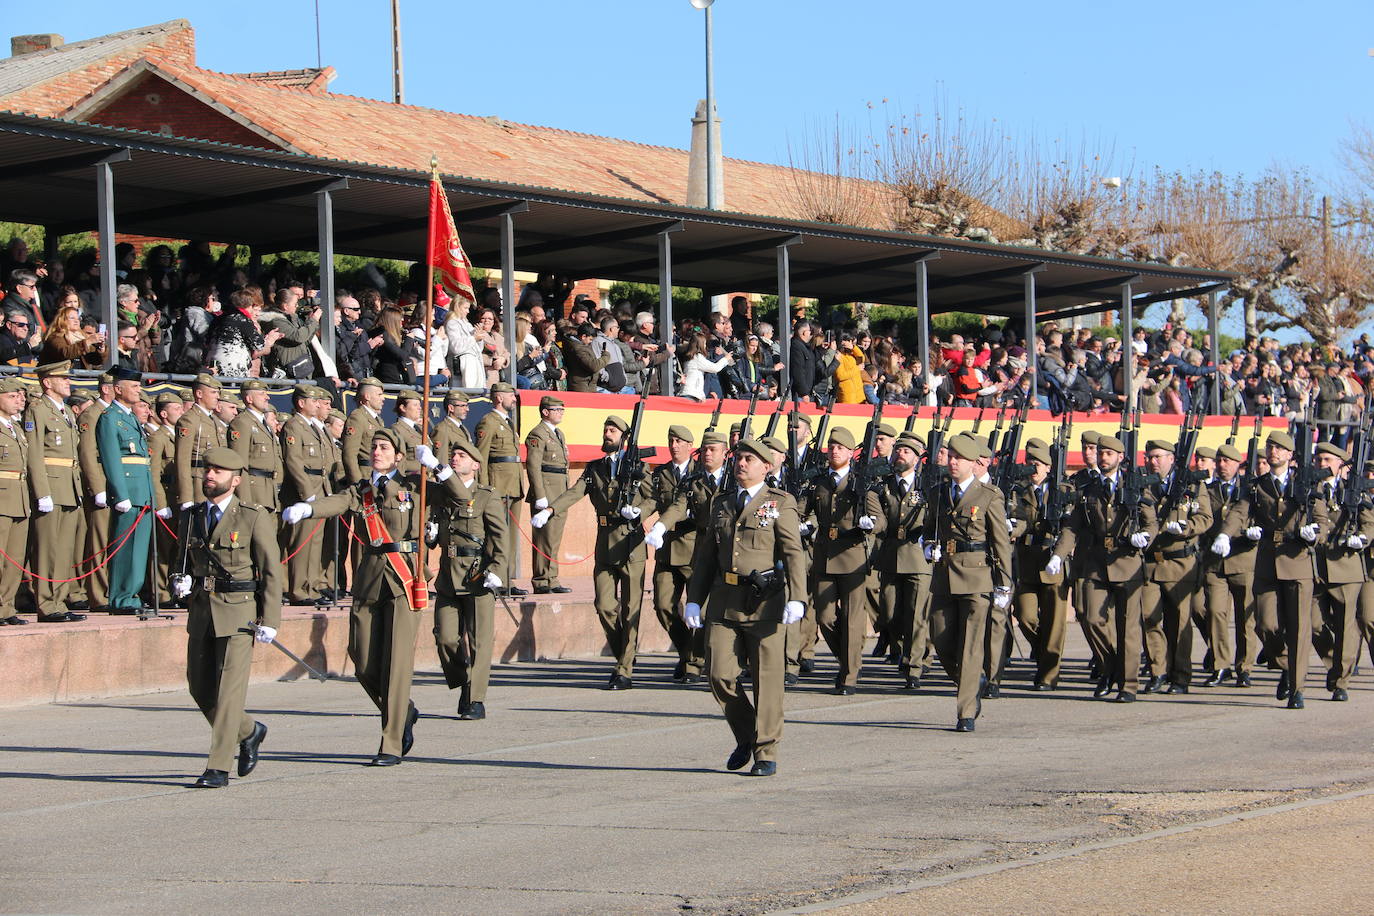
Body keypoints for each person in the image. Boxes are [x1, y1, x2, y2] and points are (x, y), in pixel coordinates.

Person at [283, 428, 438, 765]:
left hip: (403, 577)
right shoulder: (362, 490)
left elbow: (457, 495)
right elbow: (338, 501)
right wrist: (308, 510)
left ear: (398, 455)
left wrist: (438, 467)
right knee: (362, 659)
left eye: (384, 447)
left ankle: (391, 743)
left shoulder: (415, 485)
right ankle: (402, 710)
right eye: (374, 447)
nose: (377, 451)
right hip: (369, 577)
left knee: (396, 664)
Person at [682, 438, 807, 777]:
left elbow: (794, 553)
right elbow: (706, 555)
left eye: (750, 459)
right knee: (718, 674)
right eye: (739, 458)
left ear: (766, 466)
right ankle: (747, 734)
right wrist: (694, 597)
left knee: (767, 681)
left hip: (765, 602)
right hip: (724, 600)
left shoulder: (780, 502)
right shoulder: (721, 502)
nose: (741, 463)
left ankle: (766, 750)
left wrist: (798, 596)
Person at [171, 447, 282, 789]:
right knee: (200, 688)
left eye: (217, 472)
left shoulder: (252, 516)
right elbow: (181, 562)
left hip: (239, 613)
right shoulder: (191, 516)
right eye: (207, 470)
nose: (208, 476)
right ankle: (249, 731)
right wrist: (179, 580)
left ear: (234, 481)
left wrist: (271, 618)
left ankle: (217, 767)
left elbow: (271, 571)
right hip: (203, 610)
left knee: (229, 693)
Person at [531, 415, 651, 689]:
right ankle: (626, 654)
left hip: (631, 543)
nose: (607, 434)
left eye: (612, 430)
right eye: (605, 429)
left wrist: (639, 512)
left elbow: (654, 497)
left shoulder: (639, 467)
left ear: (624, 437)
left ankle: (624, 670)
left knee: (631, 609)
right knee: (604, 606)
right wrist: (550, 510)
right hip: (605, 544)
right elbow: (575, 492)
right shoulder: (595, 468)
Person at [1214, 431, 1330, 709]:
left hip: (1298, 561)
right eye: (1270, 447)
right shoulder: (1258, 486)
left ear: (1290, 455)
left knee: (1300, 628)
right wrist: (1225, 535)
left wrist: (1313, 533)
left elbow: (1322, 521)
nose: (1273, 451)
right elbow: (1239, 512)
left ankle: (1297, 689)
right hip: (1267, 562)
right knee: (1265, 623)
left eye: (1279, 448)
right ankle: (1286, 665)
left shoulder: (1308, 485)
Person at [1050, 434, 1158, 703]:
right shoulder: (1090, 487)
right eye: (1100, 453)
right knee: (1090, 618)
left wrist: (1144, 537)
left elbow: (1151, 522)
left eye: (1108, 453)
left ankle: (1128, 685)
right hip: (1097, 564)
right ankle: (1111, 667)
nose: (1103, 457)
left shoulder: (1134, 486)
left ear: (1120, 457)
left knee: (1128, 628)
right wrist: (1058, 554)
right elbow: (1073, 525)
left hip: (1127, 563)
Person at [923, 434, 1013, 731]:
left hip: (977, 578)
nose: (952, 462)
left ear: (973, 463)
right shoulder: (938, 492)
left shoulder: (988, 495)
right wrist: (928, 545)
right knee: (941, 638)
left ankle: (966, 711)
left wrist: (1003, 583)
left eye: (958, 459)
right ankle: (972, 680)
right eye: (950, 457)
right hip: (944, 576)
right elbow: (929, 528)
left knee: (971, 647)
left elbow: (1000, 542)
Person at [430, 437, 507, 720]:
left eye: (462, 455)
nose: (455, 458)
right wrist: (432, 535)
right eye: (454, 455)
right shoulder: (442, 493)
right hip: (449, 575)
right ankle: (464, 681)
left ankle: (476, 699)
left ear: (475, 464)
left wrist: (498, 569)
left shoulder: (487, 495)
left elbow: (500, 536)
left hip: (477, 574)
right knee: (445, 638)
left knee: (479, 641)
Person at [642, 425, 707, 683]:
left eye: (679, 441)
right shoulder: (660, 474)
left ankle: (695, 663)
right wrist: (639, 513)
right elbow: (651, 500)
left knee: (698, 610)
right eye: (671, 440)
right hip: (667, 548)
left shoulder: (700, 474)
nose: (674, 445)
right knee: (663, 605)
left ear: (690, 446)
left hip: (693, 548)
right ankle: (686, 650)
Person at [23, 361, 86, 623]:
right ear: (47, 382)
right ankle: (47, 604)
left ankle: (59, 601)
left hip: (69, 486)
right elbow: (34, 453)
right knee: (48, 549)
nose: (67, 382)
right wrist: (41, 491)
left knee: (64, 550)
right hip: (50, 484)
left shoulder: (66, 412)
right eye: (62, 378)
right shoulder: (37, 410)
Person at [1008, 440, 1069, 690]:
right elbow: (1019, 519)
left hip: (1053, 563)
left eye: (1039, 464)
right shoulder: (1019, 490)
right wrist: (1012, 527)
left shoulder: (1063, 490)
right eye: (1030, 463)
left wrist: (1060, 555)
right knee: (1024, 615)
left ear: (1049, 467)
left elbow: (1069, 527)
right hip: (1027, 561)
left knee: (1055, 625)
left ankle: (1048, 675)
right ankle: (1042, 650)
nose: (1034, 468)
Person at [96, 367, 154, 614]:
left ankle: (132, 595)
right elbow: (111, 458)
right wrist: (120, 494)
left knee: (139, 548)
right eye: (134, 387)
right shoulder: (110, 417)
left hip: (142, 489)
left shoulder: (130, 417)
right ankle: (120, 598)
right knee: (125, 548)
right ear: (118, 389)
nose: (138, 391)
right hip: (128, 491)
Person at [280, 385, 332, 606]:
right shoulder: (294, 426)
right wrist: (307, 492)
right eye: (313, 401)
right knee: (302, 541)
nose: (318, 405)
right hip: (305, 489)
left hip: (319, 486)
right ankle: (299, 590)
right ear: (301, 403)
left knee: (315, 542)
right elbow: (293, 461)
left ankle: (311, 585)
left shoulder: (313, 426)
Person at [475, 382, 526, 595]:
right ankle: (493, 577)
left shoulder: (507, 422)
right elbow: (481, 457)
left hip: (512, 485)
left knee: (511, 536)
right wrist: (486, 489)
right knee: (497, 535)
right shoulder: (489, 422)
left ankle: (506, 579)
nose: (514, 399)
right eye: (510, 396)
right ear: (498, 398)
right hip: (498, 487)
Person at [523, 395, 571, 594]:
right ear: (545, 412)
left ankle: (552, 577)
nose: (560, 412)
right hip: (547, 489)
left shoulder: (558, 433)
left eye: (562, 409)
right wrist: (540, 494)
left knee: (555, 537)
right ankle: (542, 579)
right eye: (556, 409)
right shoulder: (538, 434)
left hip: (559, 488)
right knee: (544, 537)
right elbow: (533, 466)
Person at [227, 380, 282, 510]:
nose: (267, 397)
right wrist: (244, 500)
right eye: (262, 394)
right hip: (254, 491)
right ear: (249, 398)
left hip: (270, 489)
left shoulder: (263, 423)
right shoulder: (242, 423)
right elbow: (240, 464)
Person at [174, 375, 226, 511]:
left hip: (217, 482)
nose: (217, 397)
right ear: (199, 394)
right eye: (213, 392)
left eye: (218, 393)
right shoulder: (189, 420)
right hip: (198, 483)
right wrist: (186, 496)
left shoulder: (214, 420)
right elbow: (182, 459)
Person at [341, 378, 386, 483]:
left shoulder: (378, 420)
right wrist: (357, 482)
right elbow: (349, 454)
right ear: (367, 396)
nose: (383, 398)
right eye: (379, 395)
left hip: (377, 474)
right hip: (365, 475)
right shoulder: (357, 417)